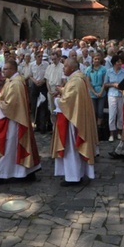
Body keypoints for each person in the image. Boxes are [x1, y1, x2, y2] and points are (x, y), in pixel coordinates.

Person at [0, 59, 41, 186]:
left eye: (5, 69)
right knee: (13, 147)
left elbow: (11, 105)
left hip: (14, 121)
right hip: (12, 119)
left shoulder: (16, 83)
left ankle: (0, 174)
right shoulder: (12, 81)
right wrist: (0, 95)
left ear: (12, 70)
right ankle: (25, 172)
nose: (2, 71)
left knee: (8, 146)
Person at [51, 58, 98, 186]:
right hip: (76, 117)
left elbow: (68, 101)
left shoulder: (75, 81)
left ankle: (73, 176)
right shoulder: (78, 79)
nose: (63, 68)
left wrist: (58, 100)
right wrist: (63, 91)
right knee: (74, 148)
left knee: (71, 147)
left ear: (72, 68)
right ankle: (79, 173)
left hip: (73, 120)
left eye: (65, 66)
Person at [104, 55, 124, 142]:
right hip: (112, 94)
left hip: (121, 94)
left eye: (121, 62)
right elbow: (105, 84)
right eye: (118, 62)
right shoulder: (109, 71)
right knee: (112, 114)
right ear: (114, 63)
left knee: (121, 114)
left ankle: (119, 132)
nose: (120, 63)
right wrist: (113, 84)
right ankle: (111, 134)